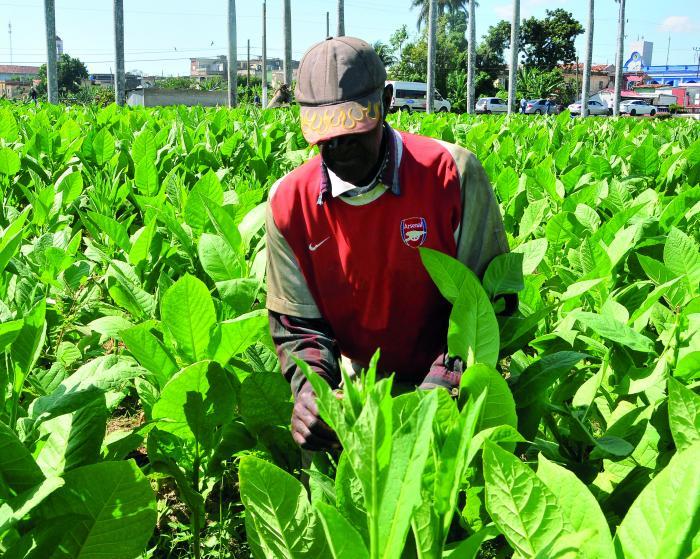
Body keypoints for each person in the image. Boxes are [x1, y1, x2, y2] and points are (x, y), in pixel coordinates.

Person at [266, 36, 512, 451]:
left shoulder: (451, 173)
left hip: (452, 383)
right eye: (325, 138)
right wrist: (313, 393)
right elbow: (299, 327)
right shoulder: (289, 203)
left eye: (353, 131)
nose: (339, 148)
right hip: (360, 387)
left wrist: (441, 389)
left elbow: (486, 302)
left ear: (386, 101)